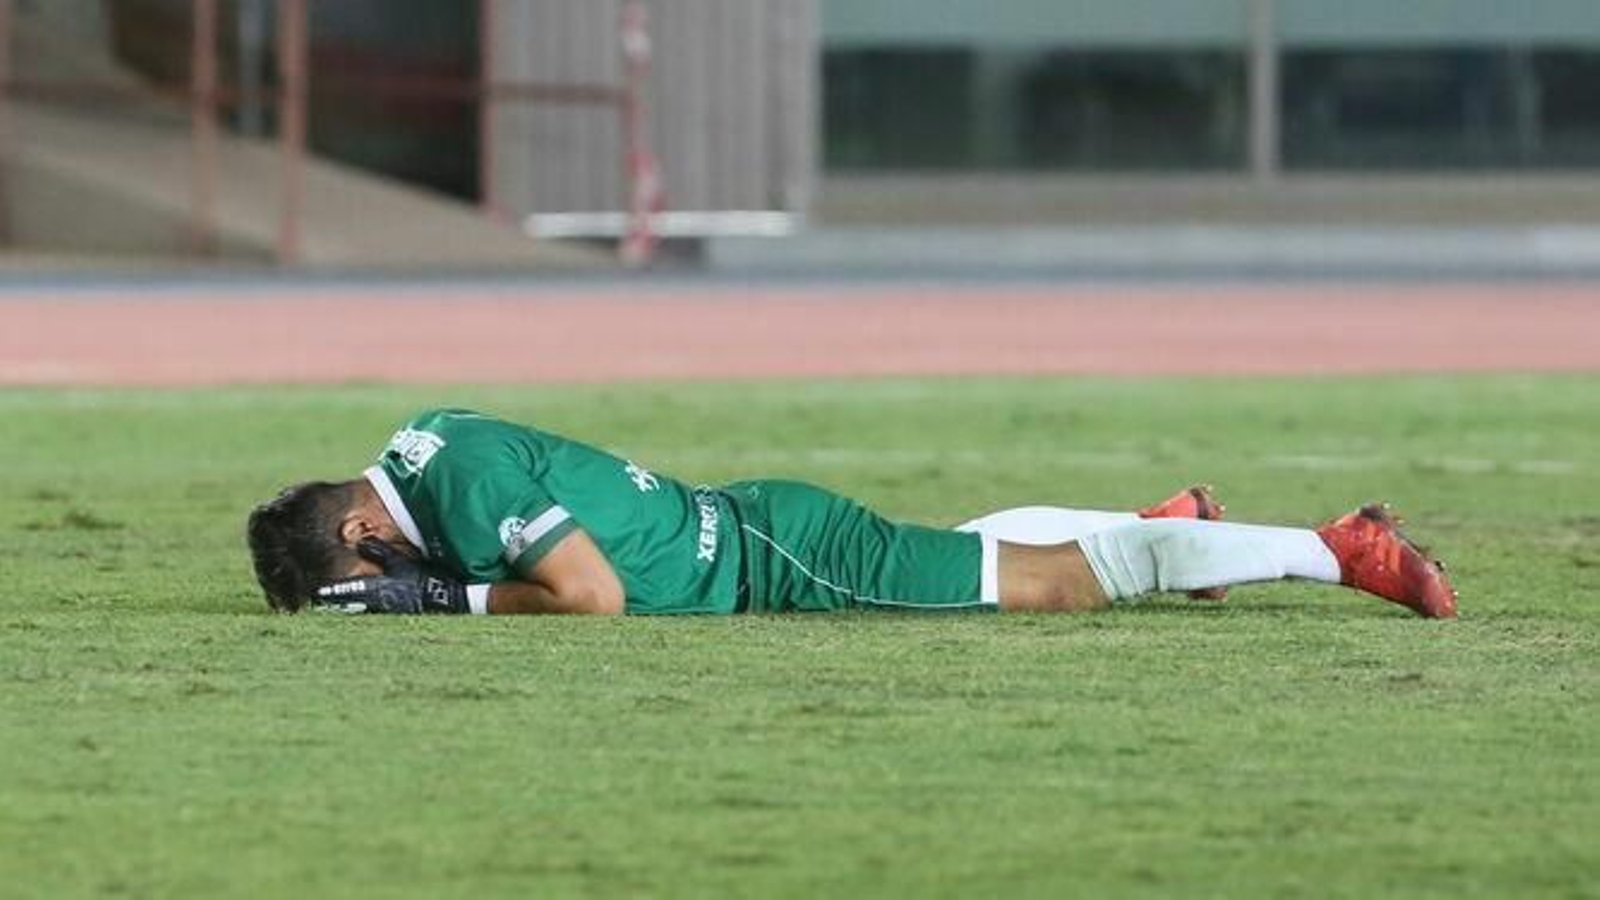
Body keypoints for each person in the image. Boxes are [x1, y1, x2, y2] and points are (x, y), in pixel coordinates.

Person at [245, 408, 1457, 619]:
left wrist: (441, 601)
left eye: (366, 582)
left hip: (779, 563)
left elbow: (594, 602)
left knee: (1057, 581)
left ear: (360, 535)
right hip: (762, 520)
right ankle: (1171, 518)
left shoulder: (450, 497)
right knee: (972, 552)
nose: (385, 586)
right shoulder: (423, 439)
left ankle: (1334, 551)